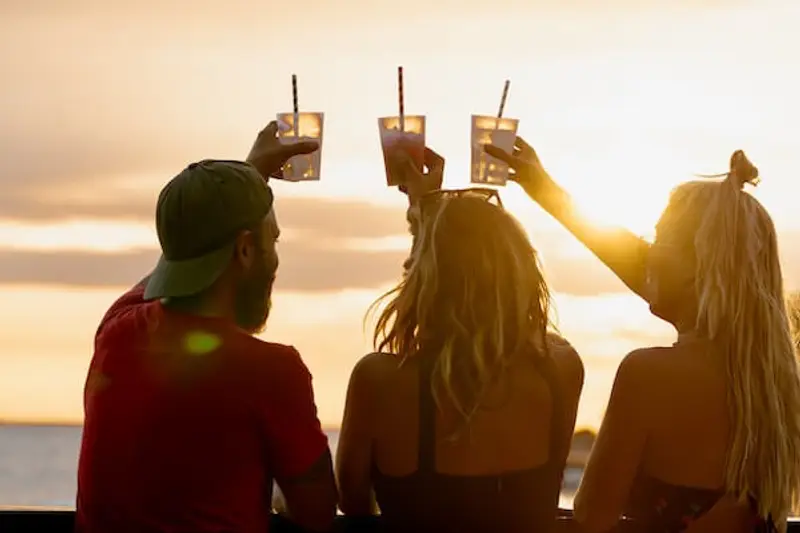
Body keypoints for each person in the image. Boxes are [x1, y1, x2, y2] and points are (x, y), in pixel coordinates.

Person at [486, 139, 800, 532]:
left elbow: (591, 521)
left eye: (658, 237)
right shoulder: (775, 385)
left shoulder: (649, 375)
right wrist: (546, 190)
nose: (647, 253)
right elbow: (652, 268)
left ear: (696, 264)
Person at [75, 122, 337, 533]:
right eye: (274, 241)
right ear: (246, 250)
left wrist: (247, 179)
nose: (276, 259)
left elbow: (176, 257)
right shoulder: (272, 372)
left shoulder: (116, 334)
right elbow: (317, 513)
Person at [335, 148, 585, 532]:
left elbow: (353, 503)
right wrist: (428, 213)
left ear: (425, 277)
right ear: (519, 270)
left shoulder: (381, 381)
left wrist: (427, 216)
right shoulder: (560, 368)